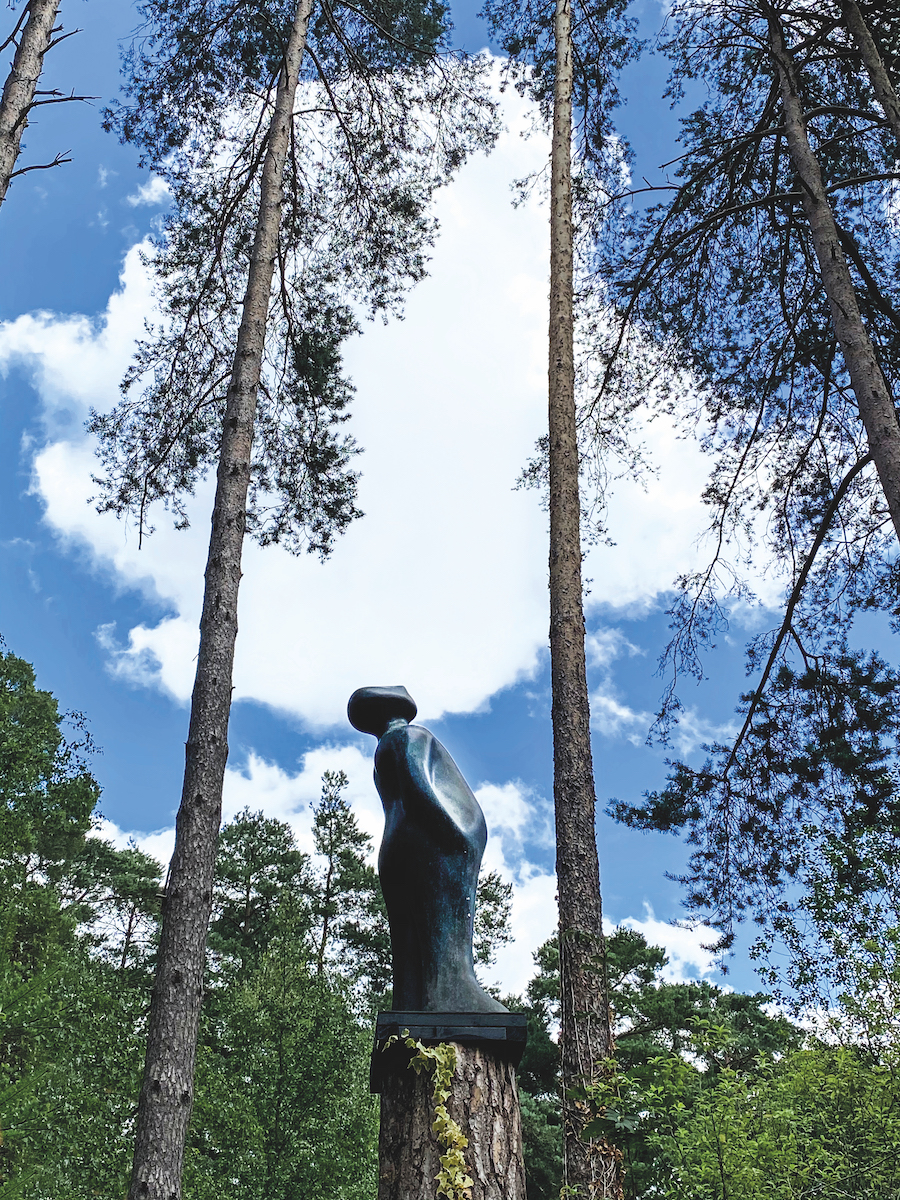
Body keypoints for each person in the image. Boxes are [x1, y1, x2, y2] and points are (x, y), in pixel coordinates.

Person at [348, 685, 506, 1013]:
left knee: (409, 941)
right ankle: (455, 994)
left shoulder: (381, 754)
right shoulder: (410, 736)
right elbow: (416, 782)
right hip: (431, 843)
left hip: (397, 847)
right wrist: (454, 833)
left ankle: (410, 1004)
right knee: (443, 929)